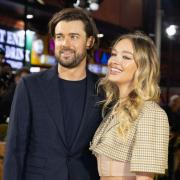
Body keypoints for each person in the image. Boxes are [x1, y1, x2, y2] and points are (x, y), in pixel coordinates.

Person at [3, 8, 103, 180]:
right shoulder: (30, 86)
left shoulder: (104, 90)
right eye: (59, 37)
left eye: (73, 36)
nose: (65, 44)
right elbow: (15, 149)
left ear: (89, 41)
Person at [90, 31, 169, 180]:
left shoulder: (150, 113)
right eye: (114, 54)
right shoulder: (114, 109)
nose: (114, 60)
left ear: (143, 67)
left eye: (126, 57)